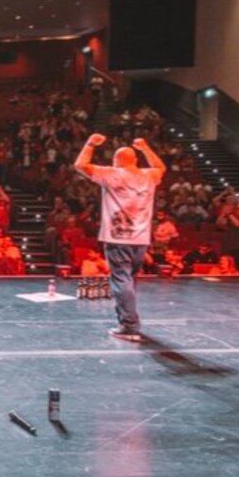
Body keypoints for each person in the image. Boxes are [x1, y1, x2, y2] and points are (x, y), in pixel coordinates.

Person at [74, 133, 165, 341]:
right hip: (141, 239)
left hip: (117, 238)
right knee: (129, 281)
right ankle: (126, 320)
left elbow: (80, 165)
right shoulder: (148, 175)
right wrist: (146, 148)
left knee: (121, 281)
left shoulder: (112, 173)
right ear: (135, 160)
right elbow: (161, 167)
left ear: (116, 161)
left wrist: (89, 144)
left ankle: (129, 326)